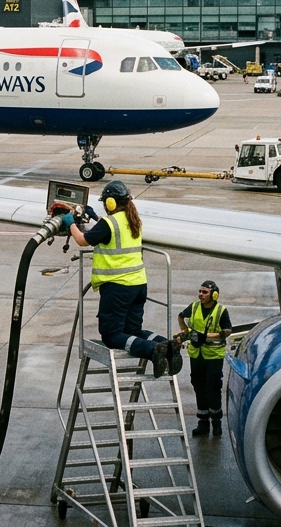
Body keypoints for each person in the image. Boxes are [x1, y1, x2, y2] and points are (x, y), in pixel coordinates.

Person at [66, 180, 181, 377]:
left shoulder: (109, 223)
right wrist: (95, 218)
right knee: (133, 331)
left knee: (112, 336)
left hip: (118, 288)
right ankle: (168, 346)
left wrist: (69, 222)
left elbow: (82, 240)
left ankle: (153, 350)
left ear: (110, 202)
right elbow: (108, 234)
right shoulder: (132, 219)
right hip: (138, 285)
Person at [177, 280, 232, 436]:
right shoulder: (194, 307)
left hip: (214, 355)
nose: (200, 294)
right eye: (200, 291)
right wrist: (186, 332)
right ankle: (203, 422)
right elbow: (181, 316)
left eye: (204, 292)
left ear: (214, 295)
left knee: (212, 388)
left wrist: (206, 336)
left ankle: (216, 422)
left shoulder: (221, 311)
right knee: (198, 386)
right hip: (196, 354)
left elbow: (227, 331)